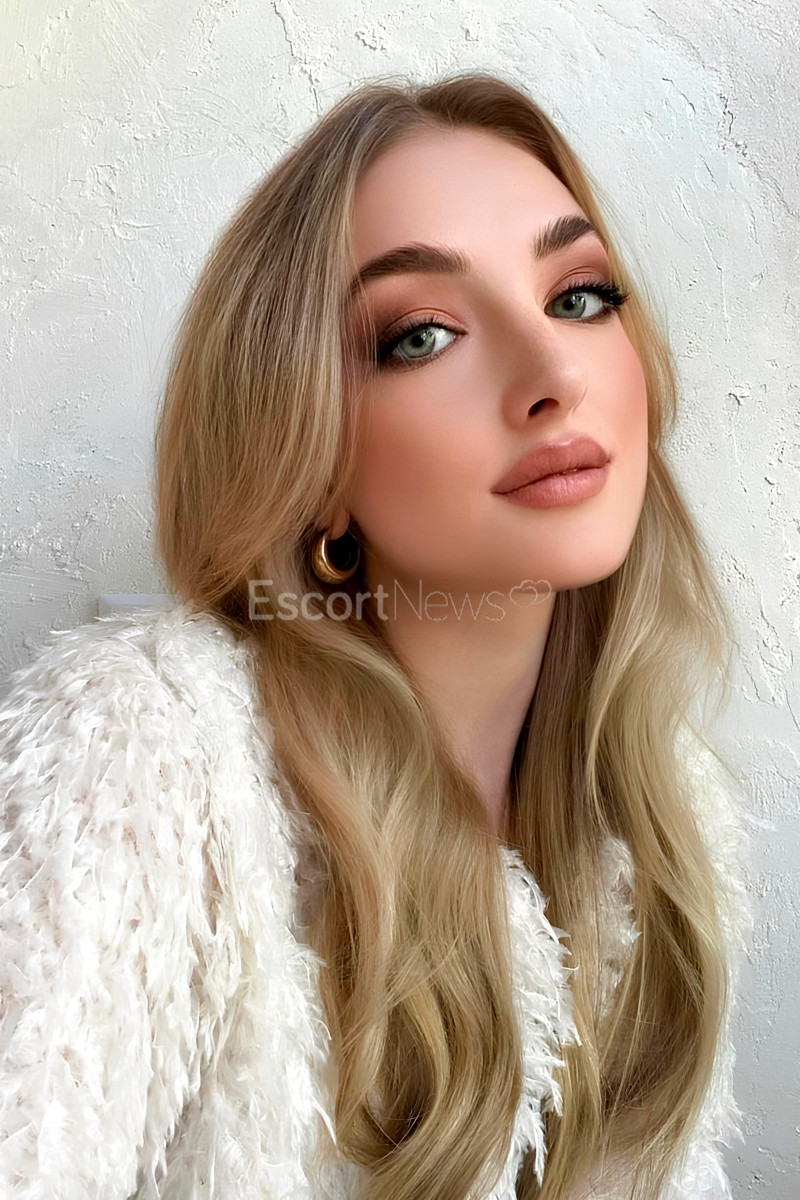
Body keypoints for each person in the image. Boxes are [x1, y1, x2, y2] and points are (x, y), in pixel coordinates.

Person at [0, 72, 749, 1199]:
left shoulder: (661, 818)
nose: (552, 374)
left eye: (580, 297)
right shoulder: (147, 763)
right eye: (421, 335)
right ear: (309, 459)